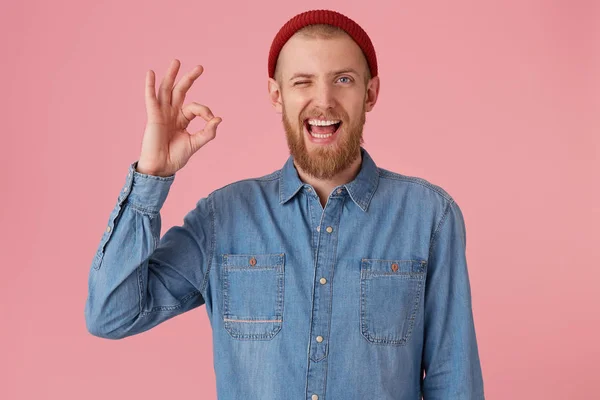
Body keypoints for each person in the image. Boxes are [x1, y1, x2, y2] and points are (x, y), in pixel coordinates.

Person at [84, 9, 485, 400]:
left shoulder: (430, 217)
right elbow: (112, 314)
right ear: (277, 96)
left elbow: (455, 382)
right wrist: (151, 176)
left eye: (342, 79)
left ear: (371, 92)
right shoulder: (223, 219)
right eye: (302, 82)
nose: (323, 101)